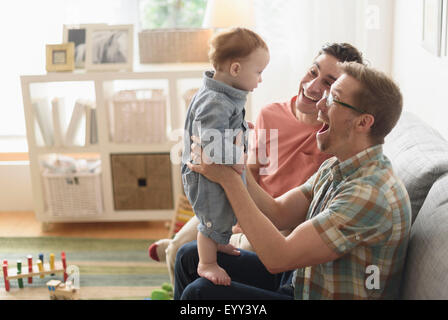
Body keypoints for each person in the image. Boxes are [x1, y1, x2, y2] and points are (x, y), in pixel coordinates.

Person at [175, 61, 412, 299]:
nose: (319, 104)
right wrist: (234, 161)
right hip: (300, 282)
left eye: (333, 99)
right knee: (189, 256)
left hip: (307, 292)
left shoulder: (369, 194)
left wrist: (227, 178)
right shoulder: (338, 166)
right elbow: (279, 212)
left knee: (201, 294)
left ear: (363, 122)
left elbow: (279, 257)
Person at [148, 43, 365, 285]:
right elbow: (250, 170)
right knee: (178, 249)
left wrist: (244, 217)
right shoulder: (270, 114)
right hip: (242, 197)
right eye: (313, 72)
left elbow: (291, 213)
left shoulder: (331, 140)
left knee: (234, 249)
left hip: (282, 224)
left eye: (328, 83)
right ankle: (175, 261)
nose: (313, 86)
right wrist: (237, 209)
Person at [180, 27, 270, 286]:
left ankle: (218, 245)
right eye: (259, 72)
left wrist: (241, 128)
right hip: (205, 176)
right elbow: (211, 141)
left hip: (215, 170)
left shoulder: (223, 95)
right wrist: (236, 157)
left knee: (225, 212)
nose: (261, 80)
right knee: (212, 216)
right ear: (235, 69)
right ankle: (206, 262)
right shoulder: (216, 101)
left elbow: (221, 127)